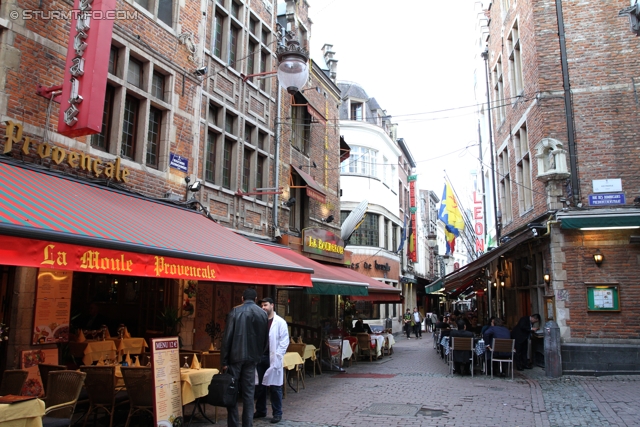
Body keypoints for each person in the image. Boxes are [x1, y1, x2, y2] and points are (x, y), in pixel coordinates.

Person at [221, 288, 268, 427]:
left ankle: (234, 424)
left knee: (232, 391)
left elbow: (227, 338)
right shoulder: (262, 314)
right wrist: (259, 355)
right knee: (249, 393)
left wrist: (224, 360)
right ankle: (248, 424)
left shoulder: (235, 311)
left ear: (242, 298)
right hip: (252, 358)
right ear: (255, 299)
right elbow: (265, 340)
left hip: (235, 357)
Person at [255, 297, 288, 424]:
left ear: (272, 305)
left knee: (275, 387)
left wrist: (278, 355)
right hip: (261, 357)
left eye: (265, 305)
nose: (263, 308)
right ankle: (261, 410)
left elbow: (284, 341)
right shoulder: (260, 321)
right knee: (260, 387)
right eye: (262, 306)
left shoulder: (280, 322)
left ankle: (277, 413)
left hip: (273, 357)